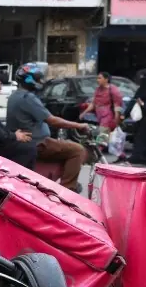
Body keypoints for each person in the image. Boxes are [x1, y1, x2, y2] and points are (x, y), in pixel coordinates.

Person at [7, 63, 89, 192]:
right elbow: (52, 121)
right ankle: (68, 190)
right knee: (78, 150)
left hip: (24, 143)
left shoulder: (14, 96)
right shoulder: (28, 97)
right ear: (30, 80)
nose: (41, 81)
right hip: (39, 143)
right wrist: (79, 125)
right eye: (38, 78)